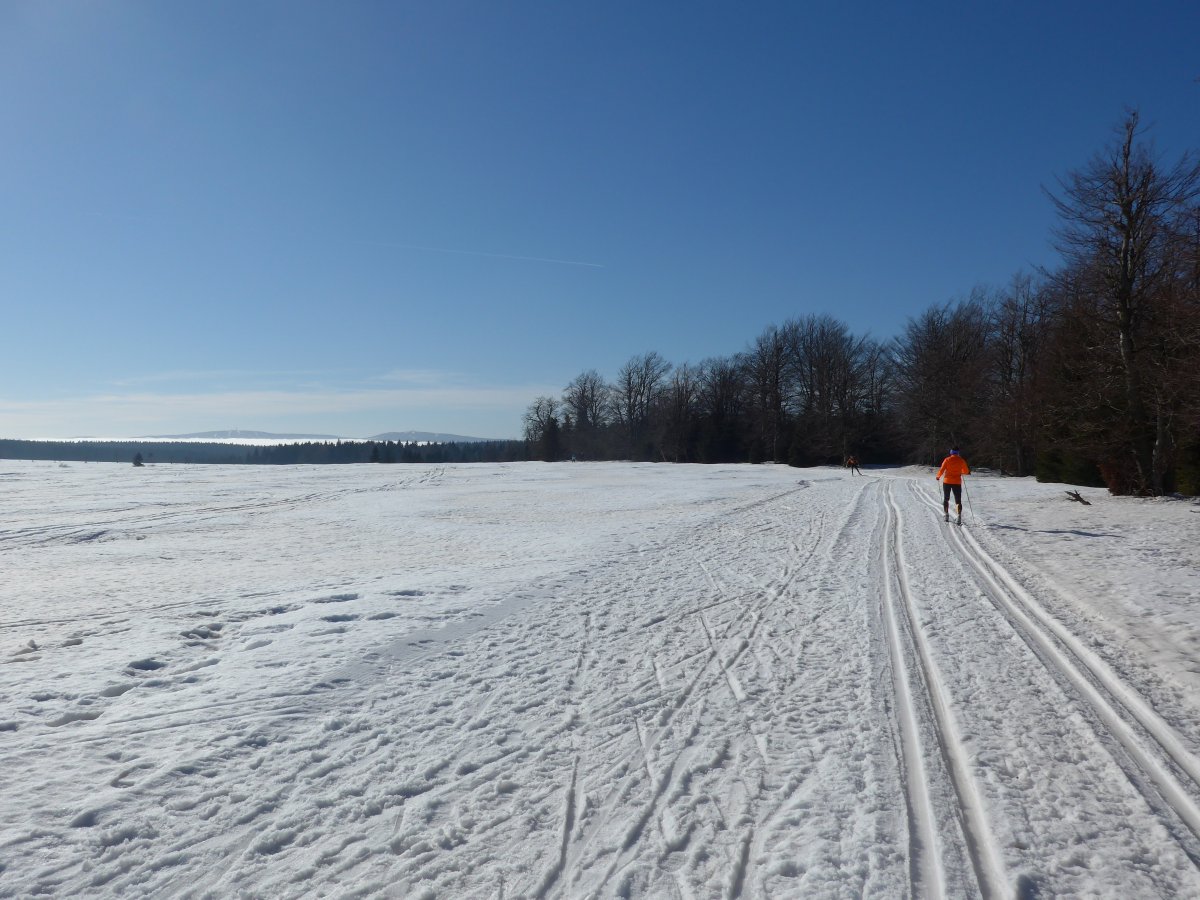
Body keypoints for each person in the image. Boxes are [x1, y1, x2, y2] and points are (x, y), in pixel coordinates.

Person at [935, 448, 970, 524]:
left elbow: (942, 469)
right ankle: (959, 516)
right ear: (958, 453)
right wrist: (961, 471)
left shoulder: (947, 460)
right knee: (958, 500)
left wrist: (938, 476)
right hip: (957, 482)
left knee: (946, 498)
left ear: (951, 452)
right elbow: (966, 471)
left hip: (947, 482)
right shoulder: (961, 460)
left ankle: (946, 515)